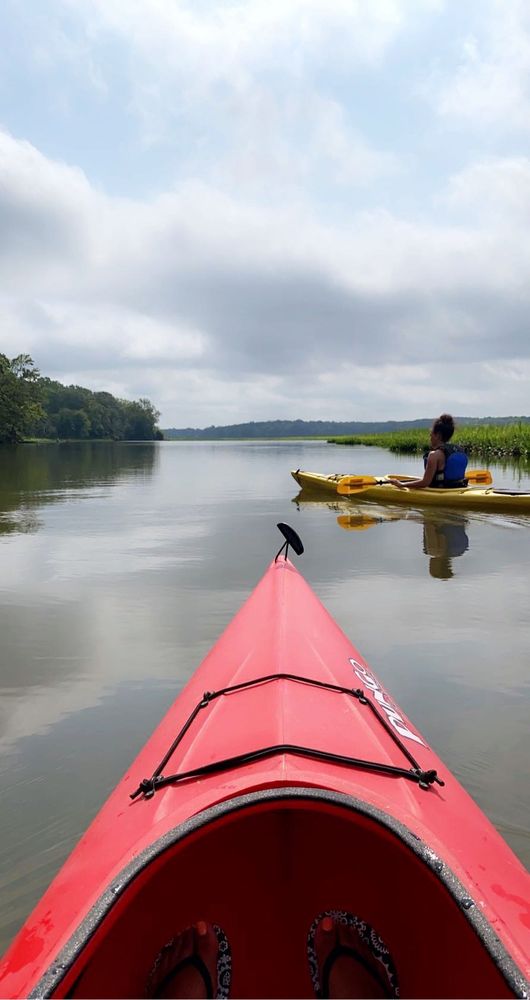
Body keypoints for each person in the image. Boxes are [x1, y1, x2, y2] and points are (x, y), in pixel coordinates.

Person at [389, 413, 468, 490]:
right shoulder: (461, 450)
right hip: (460, 488)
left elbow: (425, 482)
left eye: (431, 434)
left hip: (441, 491)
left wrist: (401, 484)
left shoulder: (434, 455)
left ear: (438, 435)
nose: (430, 437)